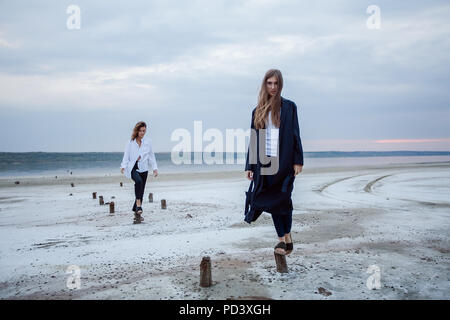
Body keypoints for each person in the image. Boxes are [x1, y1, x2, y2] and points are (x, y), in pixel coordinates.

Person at [244, 69, 304, 255]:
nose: (272, 87)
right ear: (265, 85)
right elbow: (254, 139)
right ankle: (282, 240)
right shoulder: (258, 110)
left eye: (275, 83)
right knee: (270, 201)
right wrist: (250, 166)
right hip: (264, 163)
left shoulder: (289, 107)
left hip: (284, 161)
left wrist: (298, 161)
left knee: (283, 200)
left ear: (280, 85)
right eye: (269, 83)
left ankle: (287, 235)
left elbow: (295, 134)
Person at [120, 121, 158, 223]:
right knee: (138, 182)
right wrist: (123, 166)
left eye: (144, 131)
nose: (142, 133)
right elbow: (126, 156)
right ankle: (138, 205)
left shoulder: (148, 142)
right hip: (132, 167)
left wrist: (154, 168)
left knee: (141, 191)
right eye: (140, 131)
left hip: (144, 168)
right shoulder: (130, 142)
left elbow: (151, 156)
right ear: (137, 131)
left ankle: (137, 213)